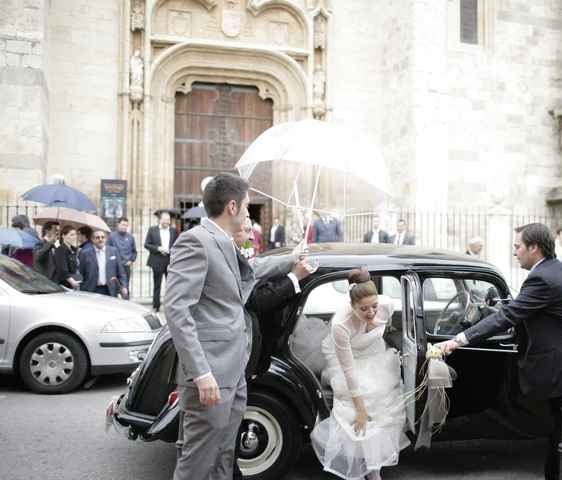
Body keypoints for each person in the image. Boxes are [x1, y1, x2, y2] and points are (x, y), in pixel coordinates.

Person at [165, 173, 314, 480]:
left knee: (224, 454)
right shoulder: (195, 242)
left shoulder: (222, 242)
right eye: (247, 206)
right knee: (197, 462)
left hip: (234, 371)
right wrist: (201, 372)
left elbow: (252, 270)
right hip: (211, 375)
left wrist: (292, 259)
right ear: (232, 207)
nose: (249, 212)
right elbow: (177, 309)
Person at [436, 223, 562, 480]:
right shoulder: (556, 269)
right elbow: (525, 309)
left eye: (518, 247)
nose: (515, 252)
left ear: (534, 248)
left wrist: (460, 339)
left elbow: (509, 315)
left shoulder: (542, 278)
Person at [311, 268, 409, 480]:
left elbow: (386, 314)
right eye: (364, 309)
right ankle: (369, 469)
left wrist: (375, 321)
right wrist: (360, 409)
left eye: (374, 306)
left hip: (375, 353)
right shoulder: (340, 325)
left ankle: (374, 466)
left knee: (385, 400)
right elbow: (348, 371)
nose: (372, 312)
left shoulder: (386, 305)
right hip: (348, 359)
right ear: (351, 305)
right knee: (360, 404)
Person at [78, 229, 128, 297]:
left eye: (102, 237)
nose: (100, 239)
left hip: (110, 290)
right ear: (92, 239)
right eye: (97, 237)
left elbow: (121, 272)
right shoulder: (85, 253)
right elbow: (81, 272)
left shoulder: (113, 251)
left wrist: (124, 286)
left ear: (106, 239)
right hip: (92, 290)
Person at [144, 210, 178, 312]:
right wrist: (159, 248)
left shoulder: (173, 231)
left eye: (168, 220)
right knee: (157, 285)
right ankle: (156, 306)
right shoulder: (152, 230)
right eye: (164, 219)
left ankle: (169, 306)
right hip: (157, 260)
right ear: (160, 220)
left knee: (171, 285)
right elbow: (147, 244)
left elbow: (177, 244)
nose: (167, 222)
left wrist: (172, 249)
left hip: (170, 261)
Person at [108, 217, 137, 298]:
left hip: (126, 267)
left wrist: (131, 260)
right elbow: (107, 250)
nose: (124, 227)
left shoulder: (131, 237)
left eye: (126, 225)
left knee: (125, 288)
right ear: (118, 224)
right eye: (123, 224)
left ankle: (126, 305)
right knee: (113, 288)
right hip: (114, 267)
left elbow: (134, 252)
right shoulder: (111, 236)